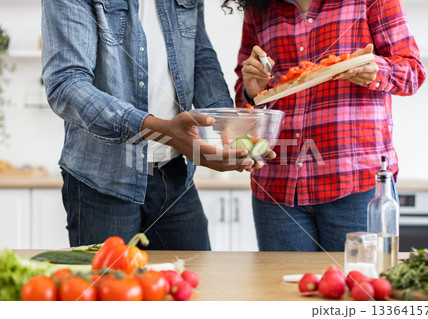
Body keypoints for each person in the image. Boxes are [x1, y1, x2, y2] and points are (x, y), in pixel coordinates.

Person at [41, 0, 273, 249]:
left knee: (193, 282)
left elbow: (201, 59)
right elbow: (66, 84)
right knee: (111, 285)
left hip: (173, 174)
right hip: (103, 180)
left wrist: (226, 123)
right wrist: (162, 131)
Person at [223, 0, 426, 251]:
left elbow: (413, 72)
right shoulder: (259, 7)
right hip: (277, 189)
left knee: (361, 288)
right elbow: (245, 97)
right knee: (280, 290)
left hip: (355, 187)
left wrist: (377, 70)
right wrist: (252, 93)